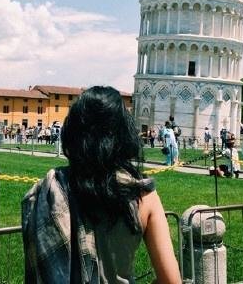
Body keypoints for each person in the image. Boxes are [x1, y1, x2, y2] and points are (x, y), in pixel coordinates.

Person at [21, 86, 181, 283]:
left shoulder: (50, 189)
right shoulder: (144, 196)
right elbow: (171, 281)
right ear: (125, 133)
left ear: (74, 133)